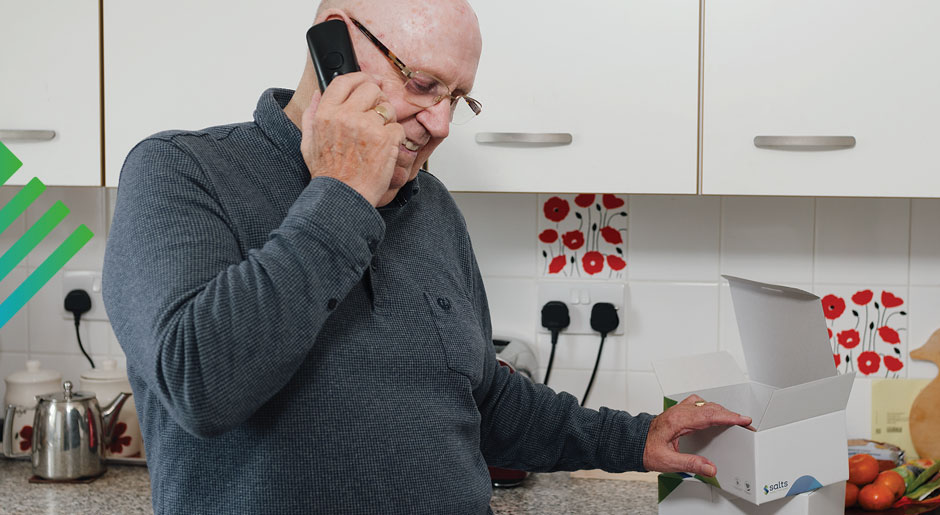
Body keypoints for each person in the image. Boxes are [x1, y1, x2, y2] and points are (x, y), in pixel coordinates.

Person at [102, 0, 752, 513]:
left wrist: (635, 438)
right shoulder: (179, 173)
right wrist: (343, 191)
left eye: (457, 98)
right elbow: (200, 383)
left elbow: (485, 399)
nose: (441, 124)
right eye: (422, 83)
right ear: (335, 45)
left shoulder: (431, 206)